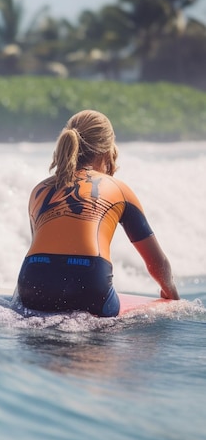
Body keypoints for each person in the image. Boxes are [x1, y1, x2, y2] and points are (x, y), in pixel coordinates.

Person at [16, 109, 179, 316]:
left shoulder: (39, 190)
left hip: (33, 282)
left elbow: (40, 246)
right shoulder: (119, 188)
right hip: (88, 282)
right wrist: (171, 295)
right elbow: (157, 263)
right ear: (107, 151)